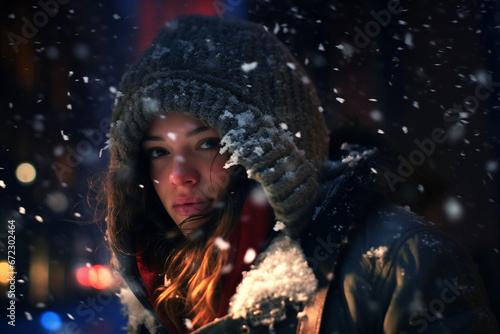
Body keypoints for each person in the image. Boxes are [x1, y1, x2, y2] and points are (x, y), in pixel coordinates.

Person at [102, 14, 499, 334]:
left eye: (207, 143)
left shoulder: (399, 264)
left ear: (270, 150)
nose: (178, 175)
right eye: (159, 151)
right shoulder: (163, 290)